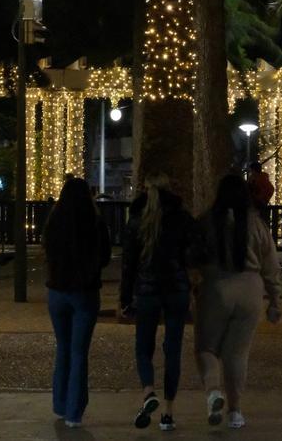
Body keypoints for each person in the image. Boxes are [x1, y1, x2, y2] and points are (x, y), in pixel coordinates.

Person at [191, 175, 282, 429]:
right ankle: (235, 411)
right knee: (237, 354)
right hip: (250, 289)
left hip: (215, 287)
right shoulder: (256, 224)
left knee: (206, 348)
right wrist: (274, 299)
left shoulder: (207, 221)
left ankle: (213, 392)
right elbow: (271, 265)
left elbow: (194, 255)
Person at [120, 176, 192, 431]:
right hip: (176, 289)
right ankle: (168, 413)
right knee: (173, 349)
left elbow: (128, 264)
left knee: (143, 347)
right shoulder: (182, 219)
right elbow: (192, 253)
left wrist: (125, 299)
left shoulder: (137, 221)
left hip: (147, 291)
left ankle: (149, 391)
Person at [42, 177, 112, 429]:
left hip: (57, 291)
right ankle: (74, 411)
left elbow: (47, 251)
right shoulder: (95, 223)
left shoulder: (54, 222)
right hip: (84, 291)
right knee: (79, 352)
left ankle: (60, 404)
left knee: (63, 347)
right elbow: (104, 256)